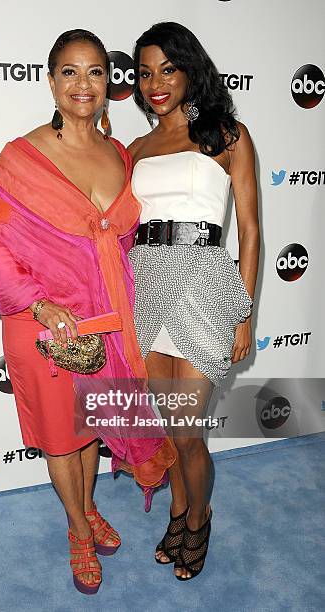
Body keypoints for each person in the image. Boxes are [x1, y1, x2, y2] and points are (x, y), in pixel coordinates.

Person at [0, 29, 175, 595]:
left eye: (95, 72)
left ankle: (86, 508)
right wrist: (38, 305)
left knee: (88, 430)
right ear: (51, 80)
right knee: (62, 437)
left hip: (105, 325)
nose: (83, 84)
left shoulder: (118, 152)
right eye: (70, 71)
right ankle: (77, 532)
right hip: (42, 323)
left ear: (106, 83)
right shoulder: (22, 156)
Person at [128, 22, 260, 580]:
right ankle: (179, 511)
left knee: (188, 431)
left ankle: (199, 518)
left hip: (204, 287)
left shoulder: (227, 135)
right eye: (144, 72)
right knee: (169, 427)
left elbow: (250, 232)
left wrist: (243, 313)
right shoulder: (135, 147)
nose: (155, 83)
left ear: (189, 68)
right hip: (147, 284)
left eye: (167, 68)